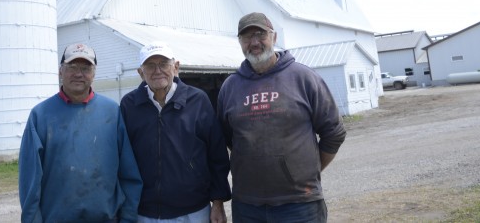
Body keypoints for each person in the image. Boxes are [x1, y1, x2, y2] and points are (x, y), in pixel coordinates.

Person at [217, 13, 346, 223]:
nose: (255, 42)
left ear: (274, 37)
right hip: (248, 206)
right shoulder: (230, 87)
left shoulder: (303, 77)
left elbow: (334, 132)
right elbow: (228, 139)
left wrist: (309, 170)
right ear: (240, 42)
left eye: (260, 34)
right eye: (247, 37)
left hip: (300, 204)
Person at [19, 43, 143, 223]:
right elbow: (29, 182)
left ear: (94, 73)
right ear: (60, 71)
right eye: (72, 67)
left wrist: (128, 218)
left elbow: (129, 175)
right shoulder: (40, 115)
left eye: (85, 68)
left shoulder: (112, 112)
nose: (78, 74)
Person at [120, 41, 232, 223]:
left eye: (163, 64)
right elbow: (122, 159)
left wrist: (218, 202)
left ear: (176, 67)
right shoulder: (129, 105)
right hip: (144, 213)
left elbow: (217, 155)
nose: (157, 71)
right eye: (150, 65)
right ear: (141, 73)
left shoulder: (198, 100)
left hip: (194, 211)